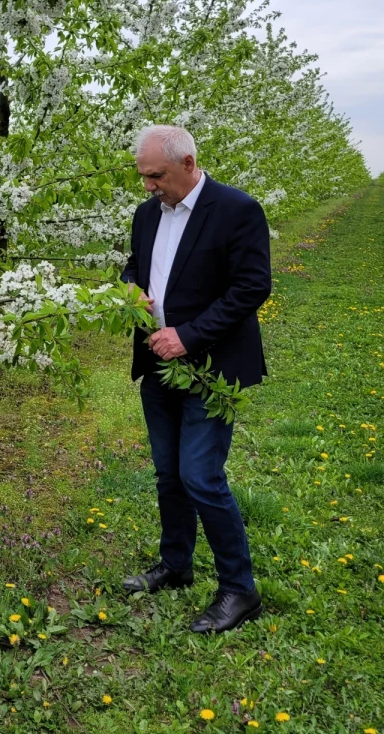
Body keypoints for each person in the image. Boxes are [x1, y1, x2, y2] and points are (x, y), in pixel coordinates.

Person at [119, 124, 272, 634]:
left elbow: (252, 287)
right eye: (143, 177)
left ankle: (239, 589)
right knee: (167, 473)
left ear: (187, 164)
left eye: (156, 175)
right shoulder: (146, 215)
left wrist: (189, 335)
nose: (148, 186)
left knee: (200, 476)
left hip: (211, 368)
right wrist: (130, 292)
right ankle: (176, 564)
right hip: (158, 366)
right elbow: (133, 268)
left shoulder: (236, 210)